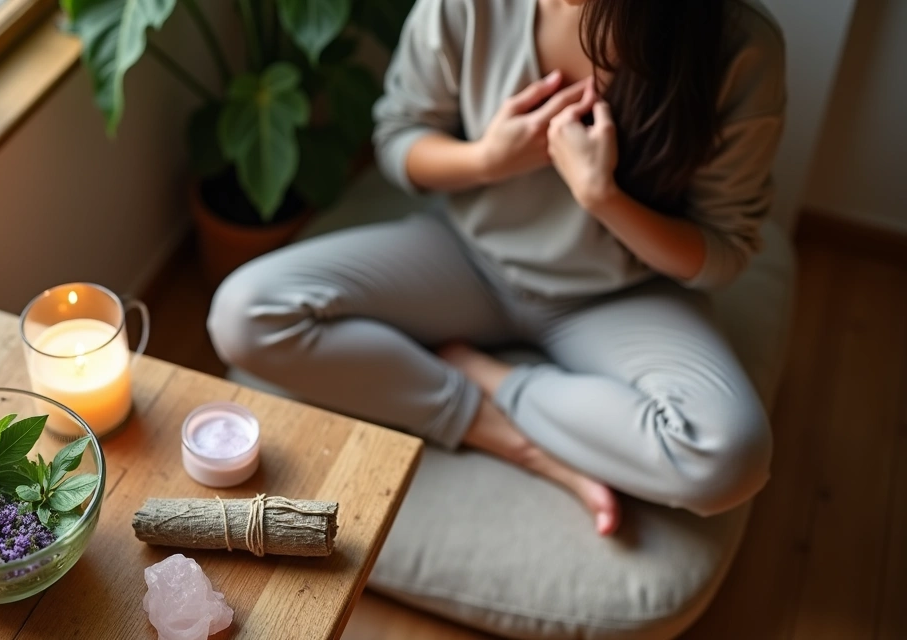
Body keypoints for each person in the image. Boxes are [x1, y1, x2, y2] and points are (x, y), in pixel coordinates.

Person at [207, 0, 785, 535]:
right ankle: (494, 427)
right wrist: (487, 159)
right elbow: (399, 136)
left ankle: (492, 376)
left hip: (623, 296)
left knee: (728, 457)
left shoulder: (738, 44)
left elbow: (723, 252)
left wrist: (602, 198)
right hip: (466, 258)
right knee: (243, 313)